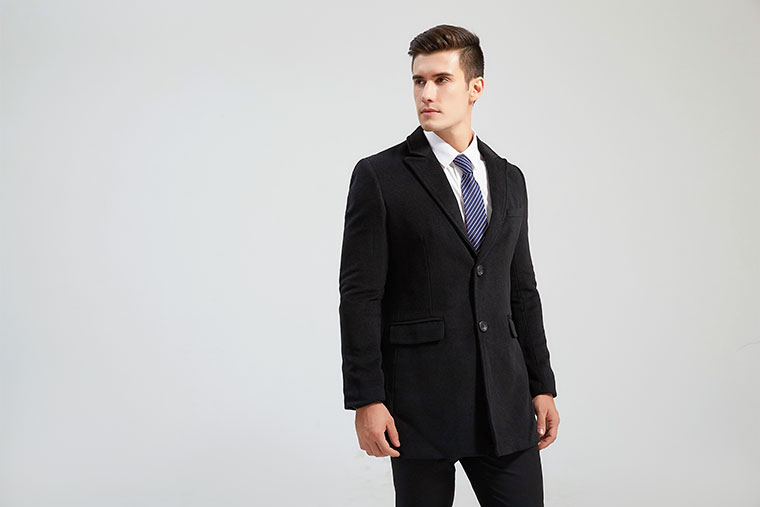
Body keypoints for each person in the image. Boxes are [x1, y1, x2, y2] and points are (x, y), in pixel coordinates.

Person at [338, 24, 560, 506]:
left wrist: (541, 385)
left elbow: (522, 290)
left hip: (503, 399)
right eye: (419, 81)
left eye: (442, 80)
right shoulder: (380, 176)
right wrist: (366, 398)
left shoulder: (509, 179)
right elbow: (360, 297)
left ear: (475, 87)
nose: (427, 94)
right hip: (418, 403)